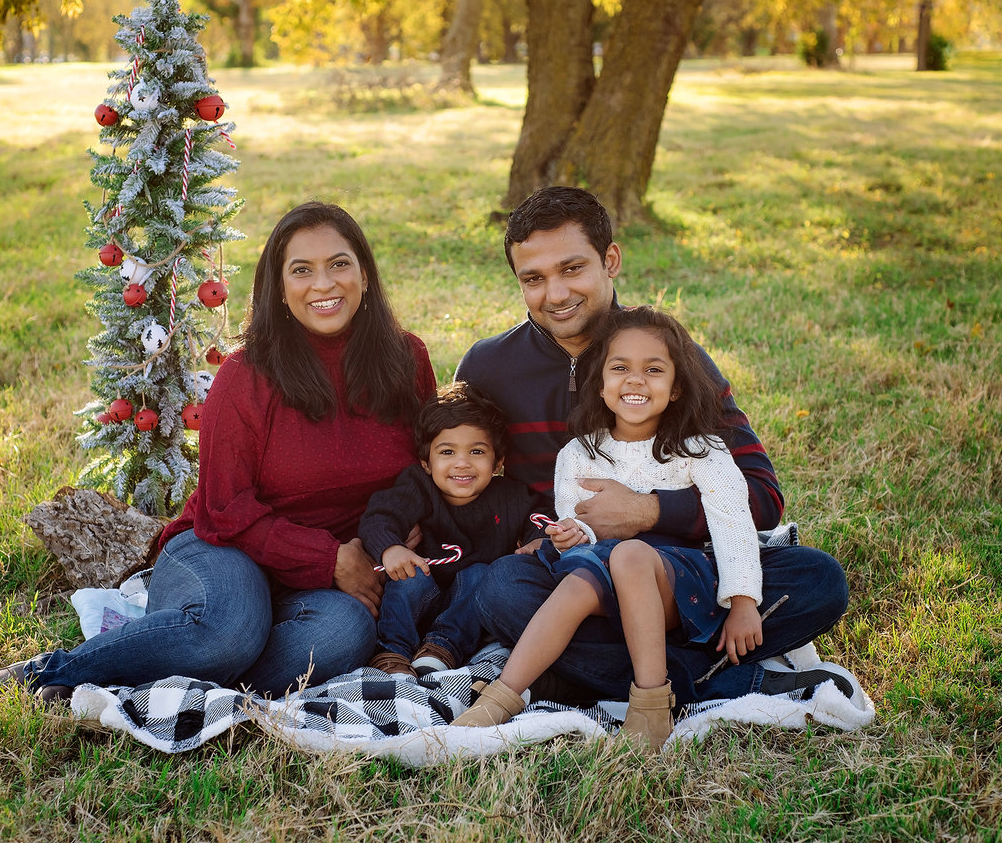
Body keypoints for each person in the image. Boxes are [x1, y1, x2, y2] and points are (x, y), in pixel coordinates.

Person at [0, 201, 437, 717]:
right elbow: (225, 510)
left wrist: (399, 535)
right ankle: (53, 673)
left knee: (346, 633)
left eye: (339, 263)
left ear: (364, 271)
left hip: (329, 577)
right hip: (225, 550)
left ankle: (160, 672)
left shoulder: (406, 360)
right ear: (278, 285)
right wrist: (329, 557)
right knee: (230, 630)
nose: (323, 284)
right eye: (301, 270)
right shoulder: (247, 375)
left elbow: (430, 471)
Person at [455, 186, 850, 710]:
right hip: (578, 573)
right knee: (502, 589)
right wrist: (540, 531)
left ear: (610, 260)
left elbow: (760, 498)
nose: (554, 294)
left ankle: (581, 674)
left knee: (819, 579)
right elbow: (472, 484)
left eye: (572, 269)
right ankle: (711, 680)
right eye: (533, 278)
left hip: (686, 578)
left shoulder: (668, 357)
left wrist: (646, 511)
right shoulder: (487, 367)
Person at [454, 306, 821, 747]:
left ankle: (650, 704)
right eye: (620, 368)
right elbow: (578, 523)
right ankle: (501, 698)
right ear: (602, 384)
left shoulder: (699, 448)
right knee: (561, 583)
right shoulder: (578, 453)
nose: (634, 380)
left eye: (653, 369)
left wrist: (743, 601)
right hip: (605, 574)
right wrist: (570, 535)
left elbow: (733, 519)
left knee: (817, 576)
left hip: (679, 580)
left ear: (676, 387)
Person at [359, 382, 547, 678]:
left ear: (497, 462)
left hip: (466, 615)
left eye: (476, 451)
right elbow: (380, 516)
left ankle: (441, 649)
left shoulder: (510, 496)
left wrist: (539, 541)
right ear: (426, 462)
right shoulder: (417, 487)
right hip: (421, 598)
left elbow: (541, 516)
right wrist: (391, 547)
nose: (462, 463)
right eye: (447, 452)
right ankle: (392, 651)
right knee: (408, 577)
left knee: (482, 574)